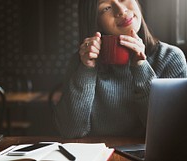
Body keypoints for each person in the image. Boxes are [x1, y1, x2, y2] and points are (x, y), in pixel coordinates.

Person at [53, 0, 187, 138]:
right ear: (95, 22)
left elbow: (170, 132)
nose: (121, 10)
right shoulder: (80, 62)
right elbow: (70, 131)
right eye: (106, 8)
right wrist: (86, 69)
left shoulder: (170, 58)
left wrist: (141, 67)